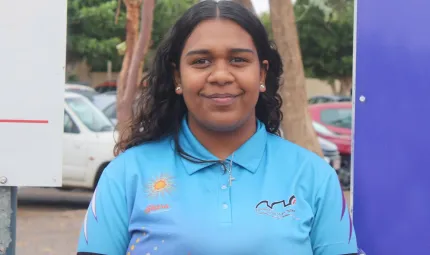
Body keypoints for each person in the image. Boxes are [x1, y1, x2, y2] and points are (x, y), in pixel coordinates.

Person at [76, 1, 357, 254]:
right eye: (201, 61)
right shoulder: (126, 176)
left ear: (261, 73)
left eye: (238, 60)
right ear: (177, 75)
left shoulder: (314, 177)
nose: (221, 75)